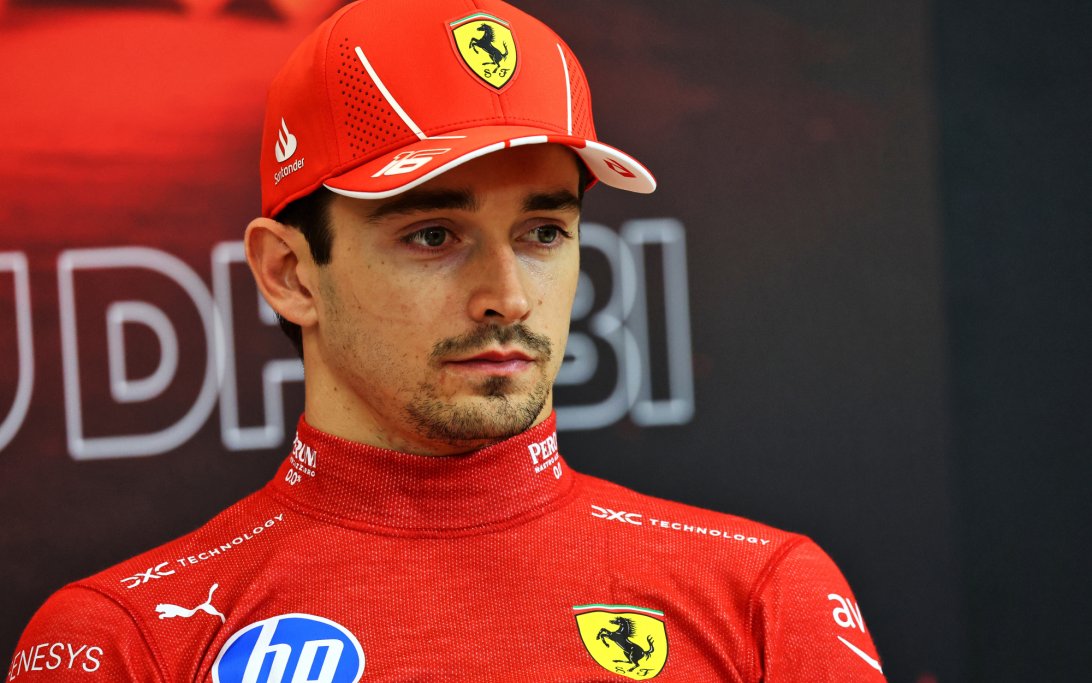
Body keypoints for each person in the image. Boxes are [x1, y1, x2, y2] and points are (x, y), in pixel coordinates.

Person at [8, 1, 887, 680]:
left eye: (544, 231)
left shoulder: (765, 595)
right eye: (433, 235)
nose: (507, 296)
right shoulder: (125, 641)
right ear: (289, 273)